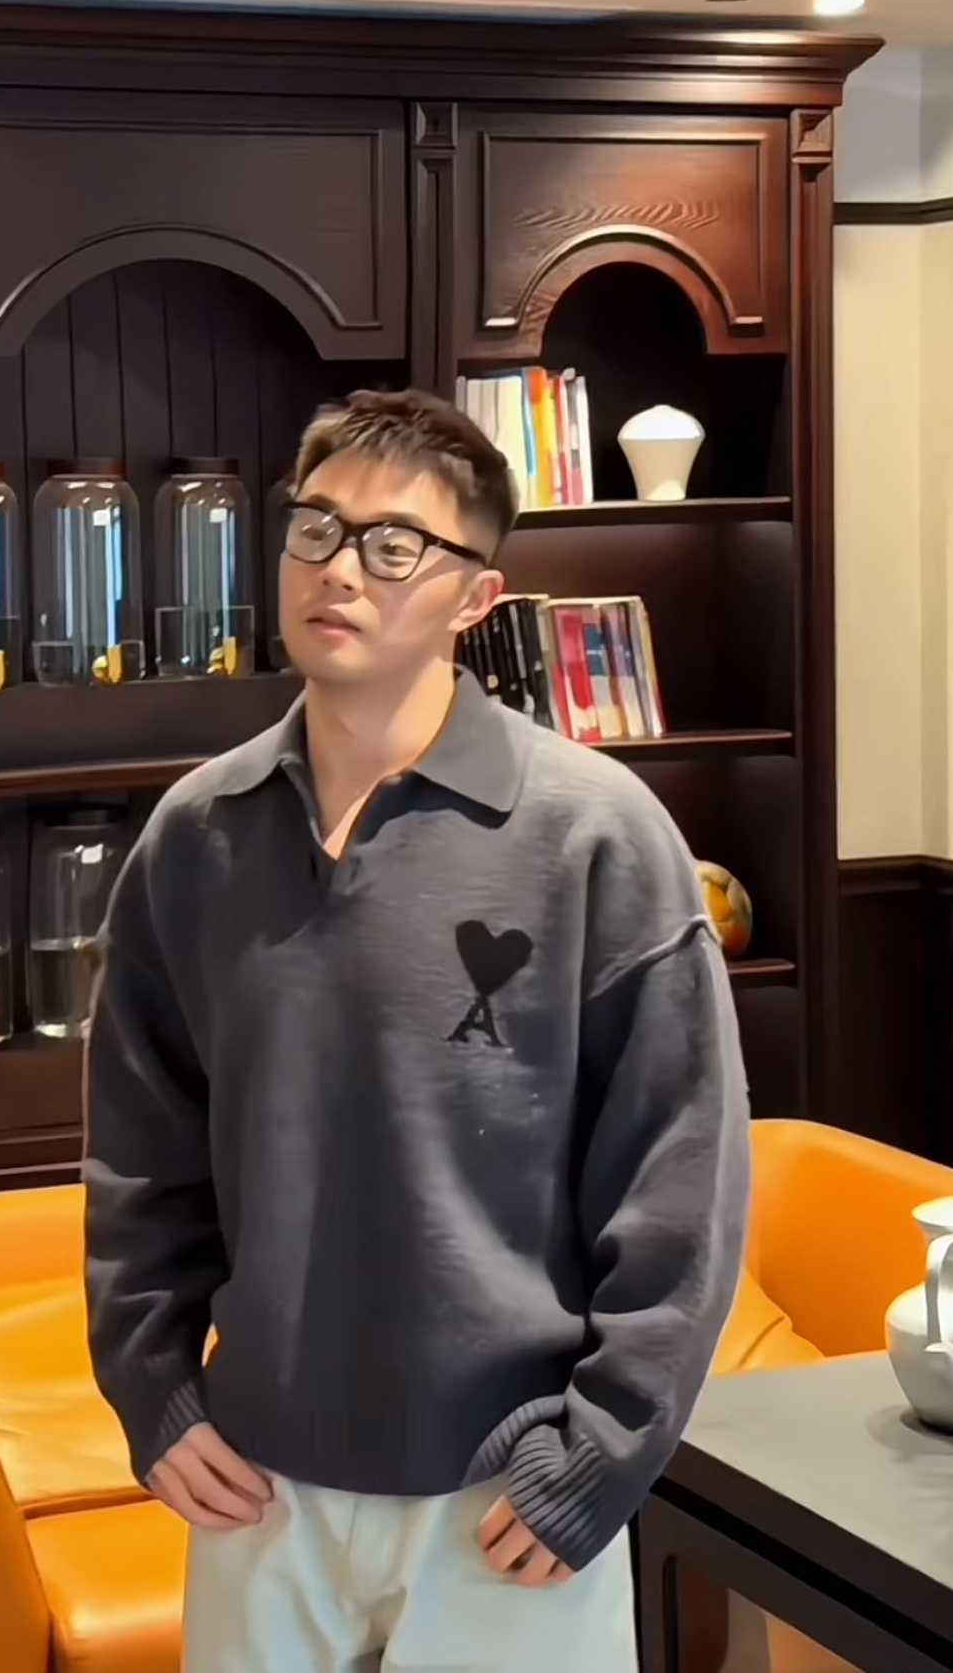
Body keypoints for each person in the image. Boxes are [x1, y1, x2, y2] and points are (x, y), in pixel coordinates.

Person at [83, 387, 750, 1673]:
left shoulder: (597, 834)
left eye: (395, 546)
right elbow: (141, 1157)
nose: (340, 570)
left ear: (475, 599)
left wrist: (602, 1453)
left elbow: (682, 1181)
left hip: (505, 1492)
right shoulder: (195, 838)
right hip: (256, 1484)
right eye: (317, 528)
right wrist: (154, 1394)